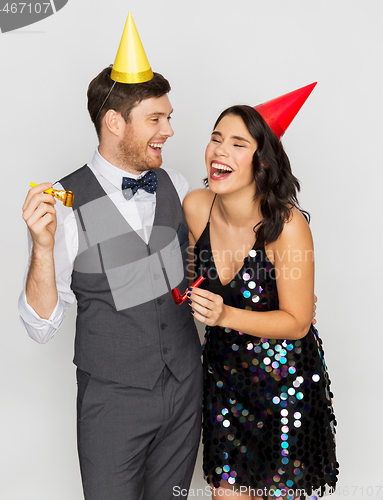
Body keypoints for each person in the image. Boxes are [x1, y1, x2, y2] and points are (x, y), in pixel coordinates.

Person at [18, 13, 202, 500]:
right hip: (113, 399)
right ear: (114, 122)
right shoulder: (61, 200)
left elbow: (201, 270)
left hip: (185, 388)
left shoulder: (177, 185)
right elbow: (41, 326)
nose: (169, 130)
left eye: (168, 117)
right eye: (156, 119)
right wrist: (41, 248)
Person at [183, 94, 339, 499]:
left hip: (284, 391)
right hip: (224, 385)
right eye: (217, 138)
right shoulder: (196, 207)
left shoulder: (286, 227)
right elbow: (186, 277)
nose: (221, 150)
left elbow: (298, 322)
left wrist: (224, 314)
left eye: (238, 144)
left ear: (262, 162)